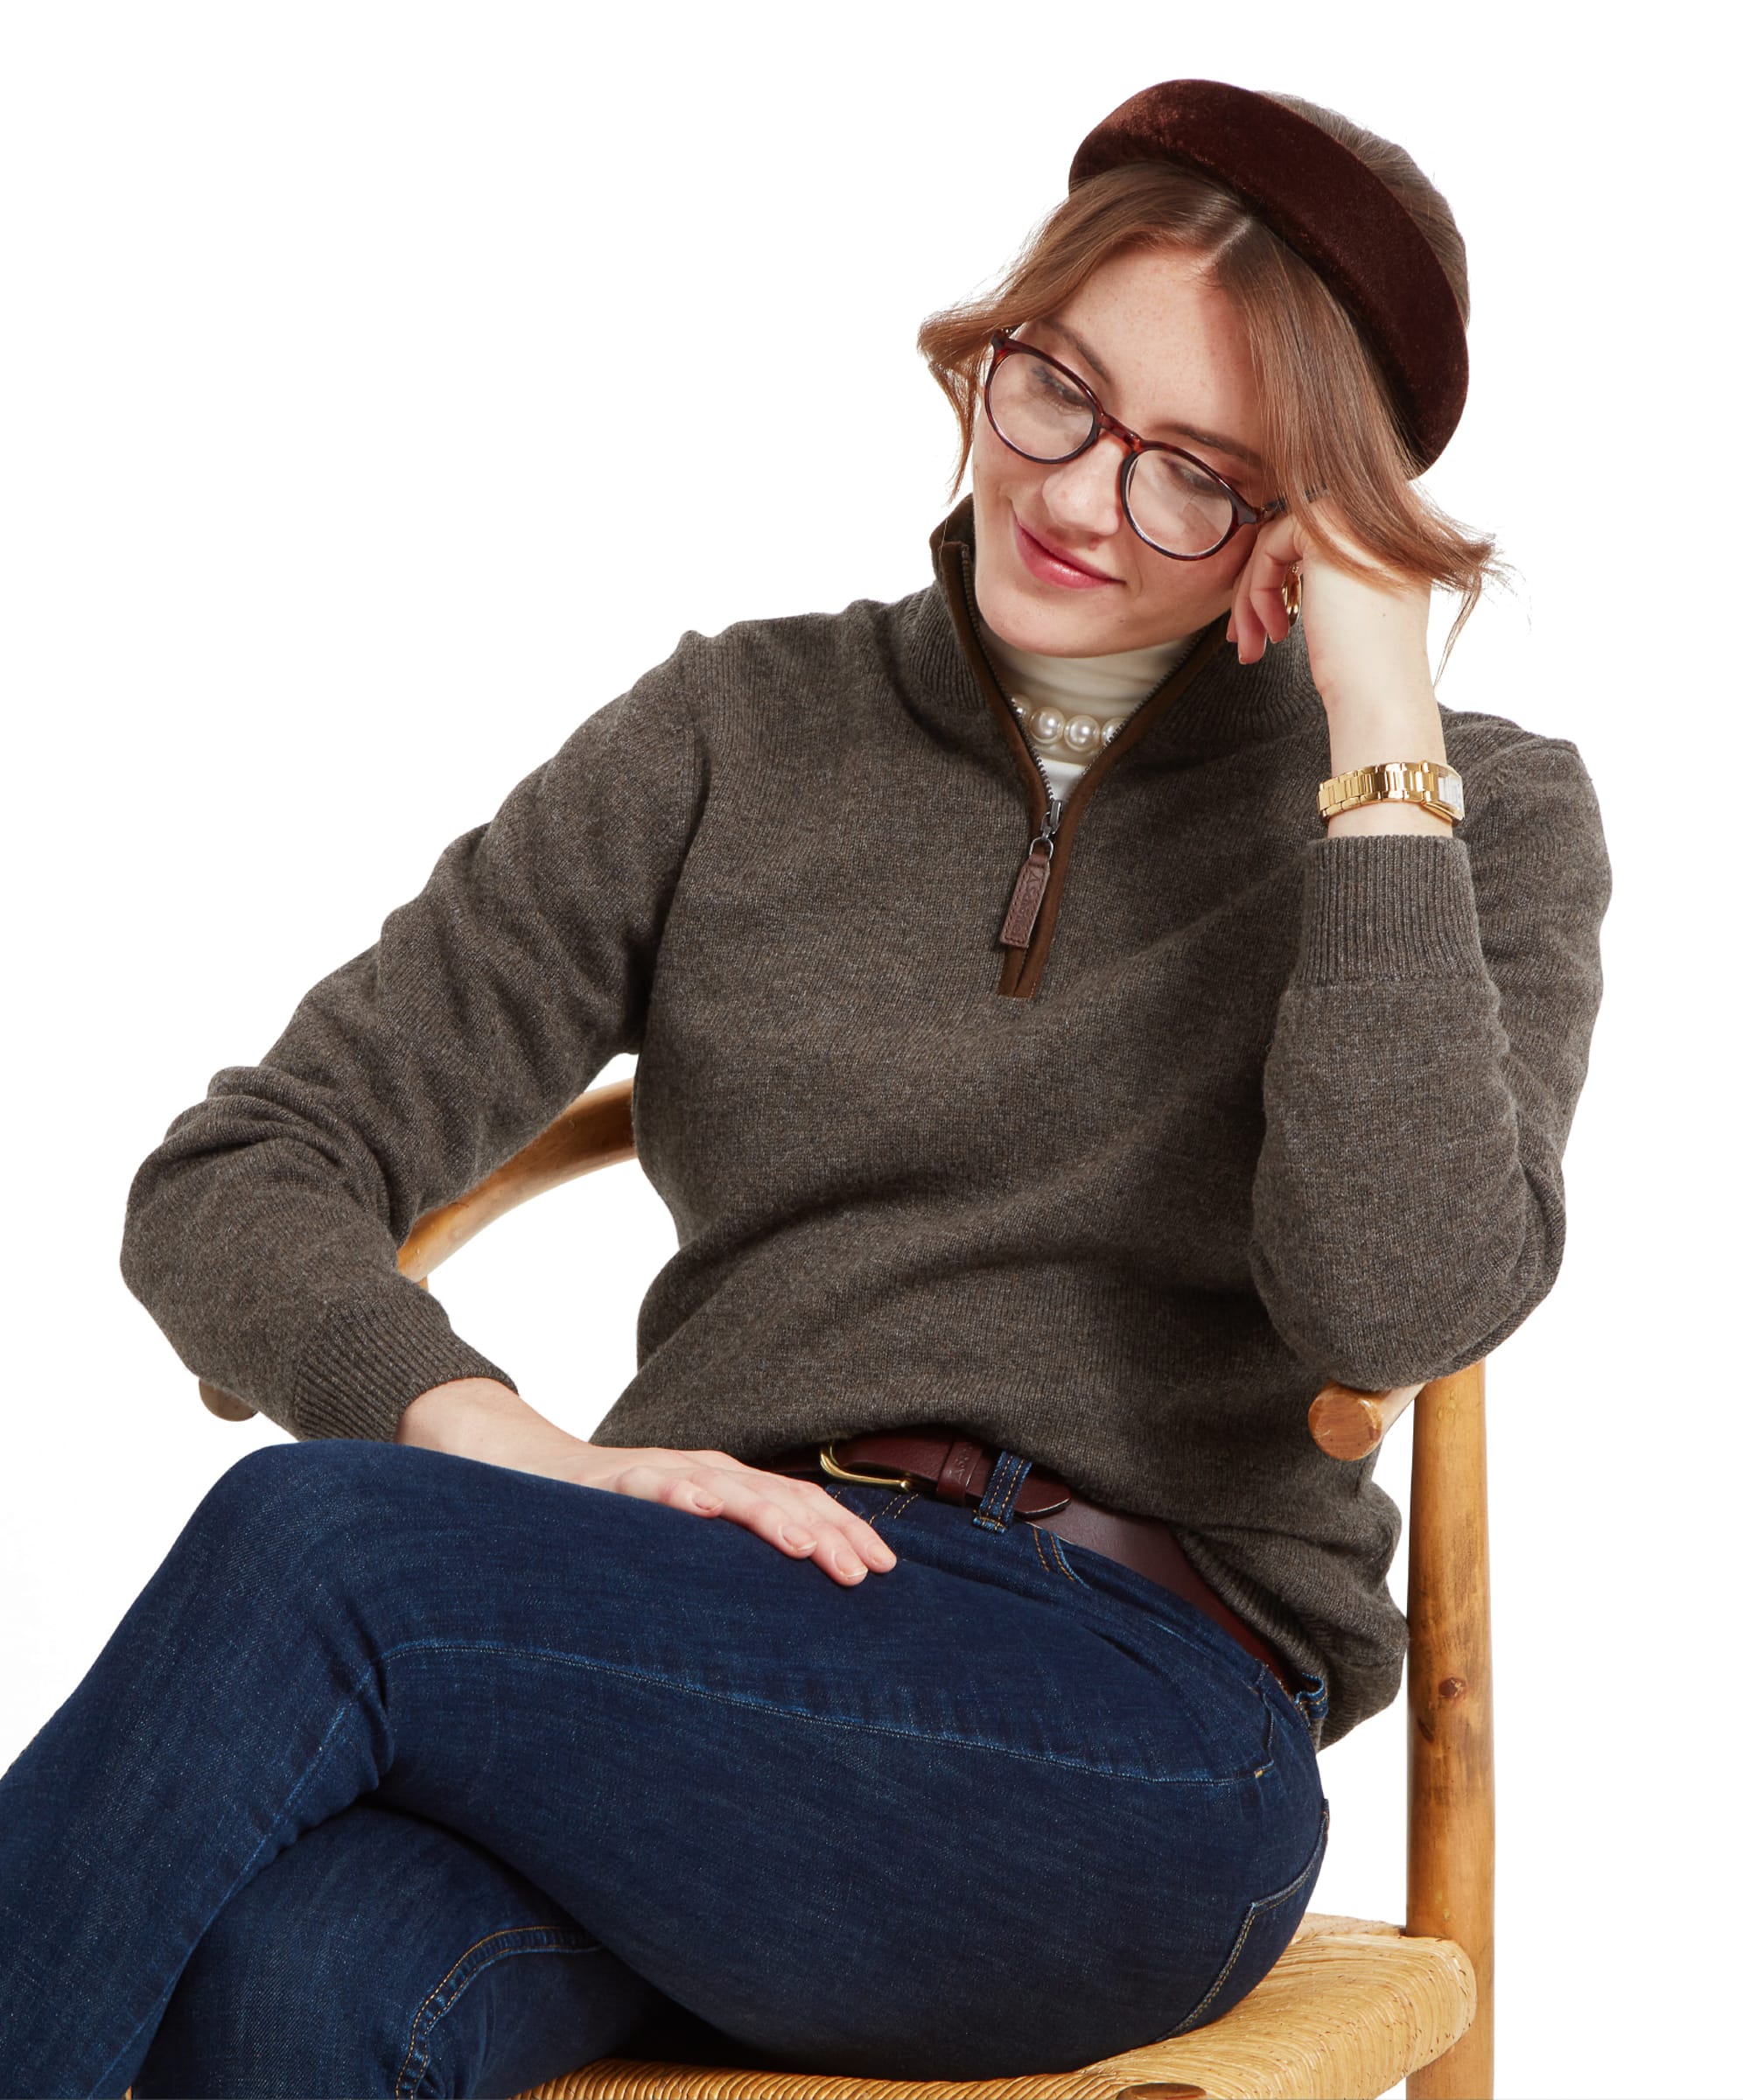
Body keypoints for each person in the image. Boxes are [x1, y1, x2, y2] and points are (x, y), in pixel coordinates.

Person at [0, 78, 1609, 2098]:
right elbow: (241, 1170)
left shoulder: (1475, 816)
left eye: (1203, 472)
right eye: (1064, 397)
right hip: (683, 1646)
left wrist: (1380, 740)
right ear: (992, 349)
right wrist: (505, 1448)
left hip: (1122, 1735)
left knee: (314, 1547)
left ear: (1316, 523)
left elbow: (1399, 1299)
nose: (1091, 498)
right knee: (304, 1977)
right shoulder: (732, 733)